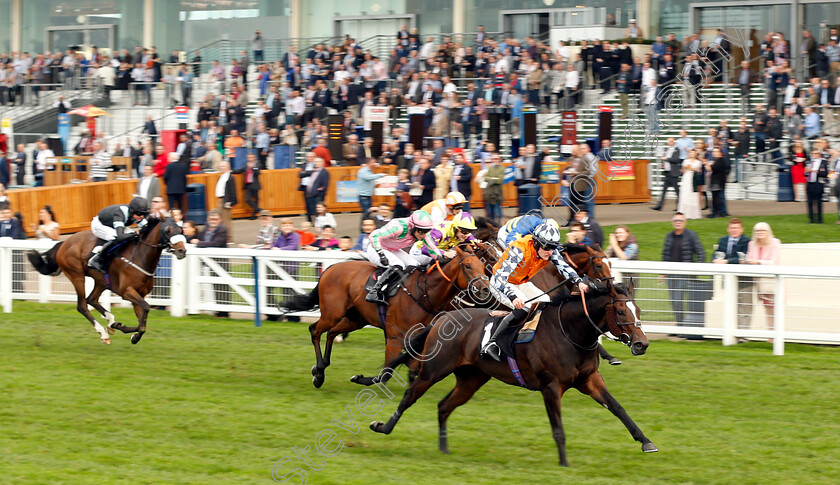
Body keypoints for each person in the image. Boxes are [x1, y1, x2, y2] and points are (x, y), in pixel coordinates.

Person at [481, 219, 586, 361]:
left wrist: (578, 281)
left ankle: (538, 339)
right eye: (547, 247)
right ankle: (491, 343)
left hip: (521, 282)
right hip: (500, 283)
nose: (550, 251)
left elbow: (563, 266)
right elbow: (500, 278)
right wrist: (513, 297)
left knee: (546, 302)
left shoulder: (549, 250)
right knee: (525, 307)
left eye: (553, 247)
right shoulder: (519, 250)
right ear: (535, 242)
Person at [365, 210, 440, 305]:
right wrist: (381, 254)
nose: (423, 235)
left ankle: (400, 288)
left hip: (391, 249)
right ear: (412, 226)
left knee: (414, 264)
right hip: (375, 249)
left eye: (426, 232)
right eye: (421, 232)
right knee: (398, 264)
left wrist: (440, 258)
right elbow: (374, 236)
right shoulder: (398, 227)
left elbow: (432, 248)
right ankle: (374, 292)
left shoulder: (421, 231)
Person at [660, 212, 705, 326]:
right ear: (672, 222)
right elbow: (665, 255)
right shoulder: (669, 236)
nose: (678, 223)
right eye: (676, 220)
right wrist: (662, 273)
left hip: (685, 274)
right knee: (673, 300)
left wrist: (696, 269)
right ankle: (680, 324)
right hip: (671, 273)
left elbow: (700, 252)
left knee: (678, 299)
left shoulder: (691, 235)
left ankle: (682, 325)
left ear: (684, 222)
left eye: (680, 220)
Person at [87, 197, 151, 273]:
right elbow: (120, 237)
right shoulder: (119, 214)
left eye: (144, 214)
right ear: (132, 211)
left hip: (113, 224)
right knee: (115, 237)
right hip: (100, 225)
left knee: (131, 235)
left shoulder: (135, 214)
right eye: (139, 214)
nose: (142, 216)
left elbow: (147, 226)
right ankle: (95, 259)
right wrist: (137, 232)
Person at [712, 218, 752, 330]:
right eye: (732, 228)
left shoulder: (747, 241)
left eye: (736, 228)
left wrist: (726, 261)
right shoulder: (723, 240)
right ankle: (731, 330)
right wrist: (715, 260)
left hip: (744, 278)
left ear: (742, 229)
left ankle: (743, 333)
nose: (734, 230)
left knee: (745, 305)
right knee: (731, 304)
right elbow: (716, 254)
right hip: (728, 277)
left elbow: (743, 258)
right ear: (728, 229)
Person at [746, 222, 781, 337]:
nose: (759, 233)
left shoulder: (775, 243)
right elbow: (749, 258)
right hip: (758, 281)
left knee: (774, 308)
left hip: (770, 281)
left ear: (768, 232)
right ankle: (771, 334)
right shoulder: (752, 244)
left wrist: (758, 262)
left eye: (762, 230)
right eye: (757, 231)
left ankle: (775, 334)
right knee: (767, 308)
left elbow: (773, 262)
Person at [410, 212, 477, 265]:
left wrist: (479, 243)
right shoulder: (440, 232)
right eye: (464, 231)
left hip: (437, 251)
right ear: (455, 228)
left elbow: (474, 241)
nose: (466, 235)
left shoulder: (462, 233)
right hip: (420, 251)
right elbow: (425, 249)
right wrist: (444, 253)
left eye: (469, 231)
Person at [652, 137, 681, 211]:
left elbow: (676, 159)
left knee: (677, 191)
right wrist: (663, 165)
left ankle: (680, 206)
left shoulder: (677, 150)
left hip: (673, 173)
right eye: (669, 141)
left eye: (671, 141)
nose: (669, 142)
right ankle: (660, 206)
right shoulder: (667, 149)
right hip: (667, 173)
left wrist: (666, 159)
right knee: (664, 190)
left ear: (674, 142)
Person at [805, 141, 830, 223]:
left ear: (819, 154)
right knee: (810, 202)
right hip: (810, 183)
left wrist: (816, 171)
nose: (814, 155)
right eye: (813, 153)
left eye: (816, 153)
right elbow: (805, 173)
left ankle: (819, 219)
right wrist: (806, 172)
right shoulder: (809, 162)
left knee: (819, 202)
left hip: (818, 184)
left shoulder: (823, 162)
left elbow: (826, 173)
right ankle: (811, 219)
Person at [234, 153, 261, 219]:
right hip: (248, 185)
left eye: (251, 158)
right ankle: (258, 209)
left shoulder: (257, 164)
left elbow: (258, 173)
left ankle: (254, 215)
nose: (249, 159)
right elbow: (240, 170)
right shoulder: (246, 165)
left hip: (255, 185)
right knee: (247, 199)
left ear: (254, 158)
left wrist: (252, 167)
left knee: (256, 200)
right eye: (248, 158)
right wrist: (231, 171)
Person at [215, 161, 237, 242]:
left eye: (224, 166)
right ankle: (222, 237)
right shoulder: (222, 176)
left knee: (226, 220)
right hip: (220, 199)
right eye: (221, 166)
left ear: (228, 167)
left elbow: (233, 190)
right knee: (220, 219)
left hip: (226, 200)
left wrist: (231, 202)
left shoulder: (230, 177)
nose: (222, 168)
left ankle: (229, 238)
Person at [678, 149, 702, 219]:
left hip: (693, 178)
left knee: (693, 195)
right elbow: (682, 171)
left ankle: (693, 214)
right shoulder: (685, 161)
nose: (692, 154)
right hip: (686, 178)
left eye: (693, 153)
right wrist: (685, 168)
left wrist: (692, 169)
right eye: (690, 153)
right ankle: (684, 213)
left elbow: (699, 170)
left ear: (695, 154)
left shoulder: (698, 162)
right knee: (685, 194)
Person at [303, 157, 329, 223]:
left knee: (319, 210)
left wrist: (318, 192)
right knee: (310, 209)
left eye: (318, 162)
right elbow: (301, 174)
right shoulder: (313, 171)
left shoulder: (324, 172)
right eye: (315, 162)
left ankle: (320, 222)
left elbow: (324, 185)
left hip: (317, 195)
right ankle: (312, 222)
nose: (316, 163)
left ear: (322, 163)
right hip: (310, 194)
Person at [483, 154, 505, 224]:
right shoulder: (490, 168)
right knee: (490, 212)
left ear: (499, 160)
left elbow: (500, 180)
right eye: (494, 159)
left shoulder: (502, 168)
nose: (495, 160)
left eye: (497, 159)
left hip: (497, 193)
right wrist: (494, 179)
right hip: (489, 192)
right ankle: (492, 225)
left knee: (498, 211)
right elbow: (485, 178)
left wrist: (491, 179)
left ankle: (500, 225)